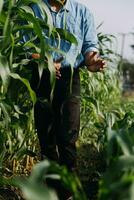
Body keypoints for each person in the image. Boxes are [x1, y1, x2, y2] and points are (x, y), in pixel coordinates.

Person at [29, 0, 105, 176]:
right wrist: (43, 59)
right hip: (42, 76)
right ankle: (52, 188)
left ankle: (67, 189)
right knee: (46, 136)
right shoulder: (33, 9)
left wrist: (92, 61)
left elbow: (89, 47)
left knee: (68, 135)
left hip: (69, 78)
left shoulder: (82, 13)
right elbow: (24, 45)